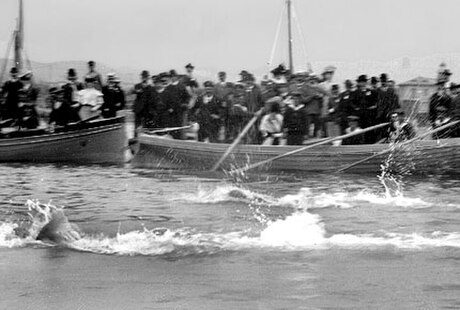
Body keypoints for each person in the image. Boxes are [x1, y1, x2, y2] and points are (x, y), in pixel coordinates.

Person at [350, 74, 378, 143]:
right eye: (361, 82)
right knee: (360, 132)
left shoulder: (371, 92)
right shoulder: (355, 93)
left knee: (370, 132)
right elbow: (351, 103)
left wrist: (373, 107)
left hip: (370, 117)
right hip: (360, 117)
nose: (362, 83)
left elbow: (376, 101)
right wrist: (356, 108)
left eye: (364, 81)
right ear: (358, 83)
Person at [132, 70, 155, 136]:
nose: (144, 78)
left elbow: (152, 98)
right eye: (143, 76)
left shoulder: (151, 88)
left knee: (146, 126)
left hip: (147, 110)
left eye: (146, 77)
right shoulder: (137, 86)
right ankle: (136, 138)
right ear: (141, 77)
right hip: (138, 109)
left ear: (148, 78)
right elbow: (135, 91)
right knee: (137, 126)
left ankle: (145, 138)